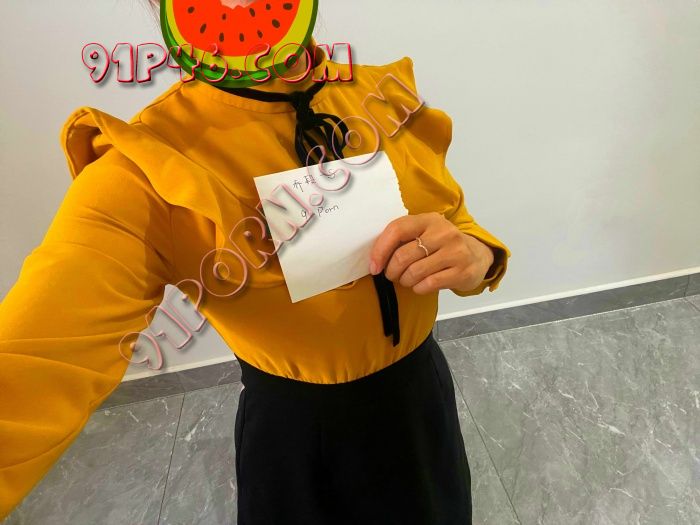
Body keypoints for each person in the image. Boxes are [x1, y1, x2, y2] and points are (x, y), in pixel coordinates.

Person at [0, 1, 511, 523]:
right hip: (293, 436)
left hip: (422, 398)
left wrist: (479, 255)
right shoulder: (143, 173)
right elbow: (30, 366)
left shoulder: (381, 96)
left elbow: (456, 219)